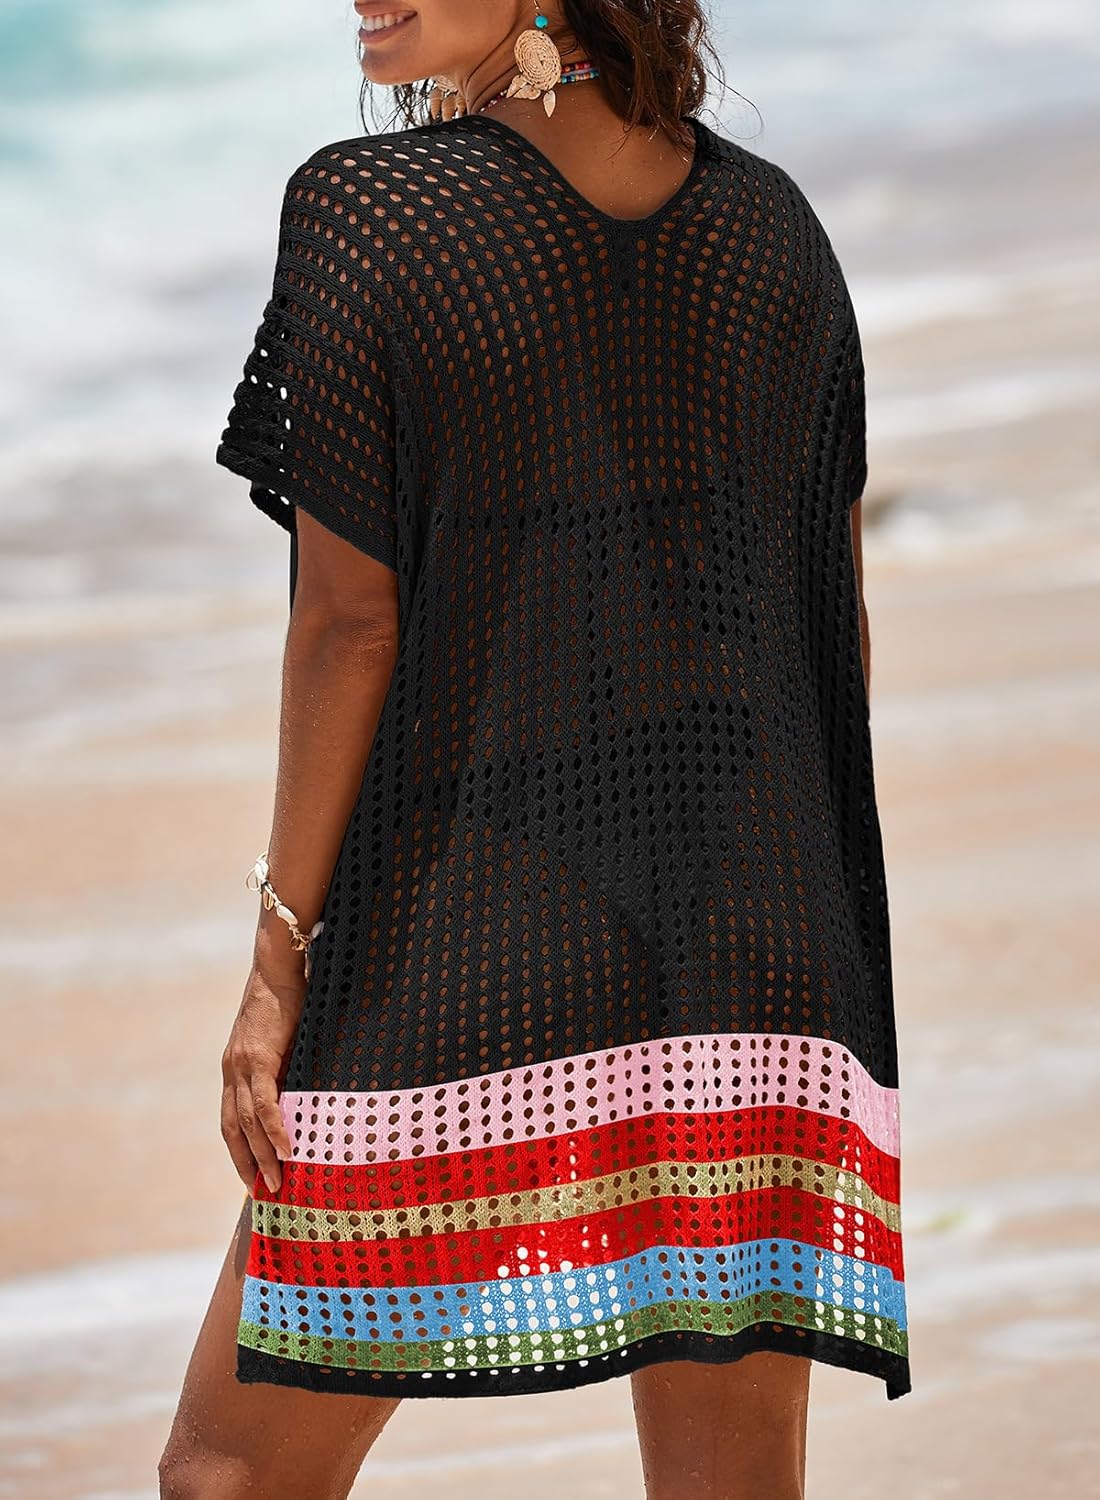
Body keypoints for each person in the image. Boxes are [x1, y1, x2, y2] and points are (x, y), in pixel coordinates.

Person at [159, 0, 911, 1494]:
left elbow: (348, 624)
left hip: (485, 932)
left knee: (228, 1473)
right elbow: (832, 618)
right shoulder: (777, 230)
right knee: (730, 1482)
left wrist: (279, 957)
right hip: (760, 932)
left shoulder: (370, 210)